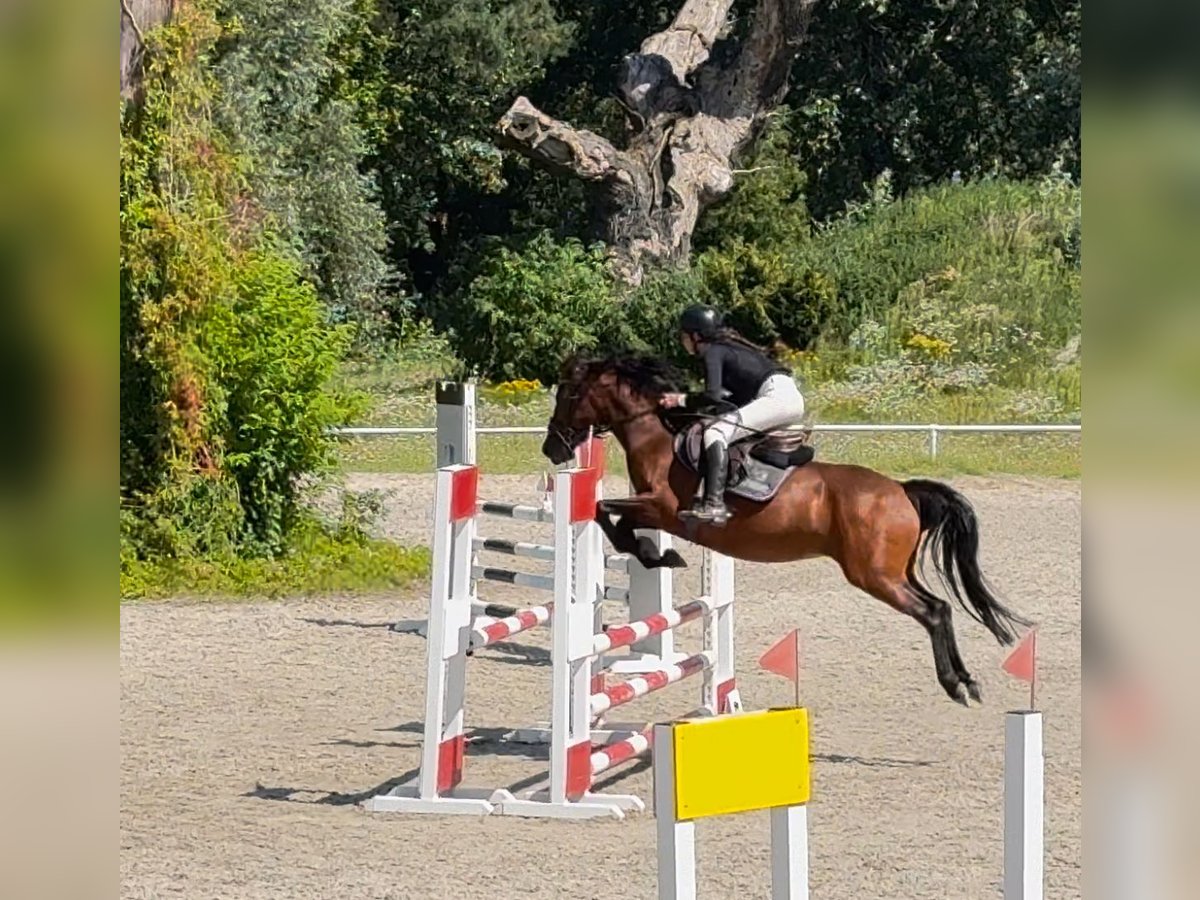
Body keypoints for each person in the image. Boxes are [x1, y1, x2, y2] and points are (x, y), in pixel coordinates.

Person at [661, 305, 806, 524]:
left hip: (776, 398)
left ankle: (714, 504)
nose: (683, 342)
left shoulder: (712, 351)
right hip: (786, 395)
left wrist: (679, 400)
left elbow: (712, 395)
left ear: (696, 335)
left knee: (716, 432)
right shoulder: (729, 347)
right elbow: (729, 398)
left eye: (684, 336)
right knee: (729, 428)